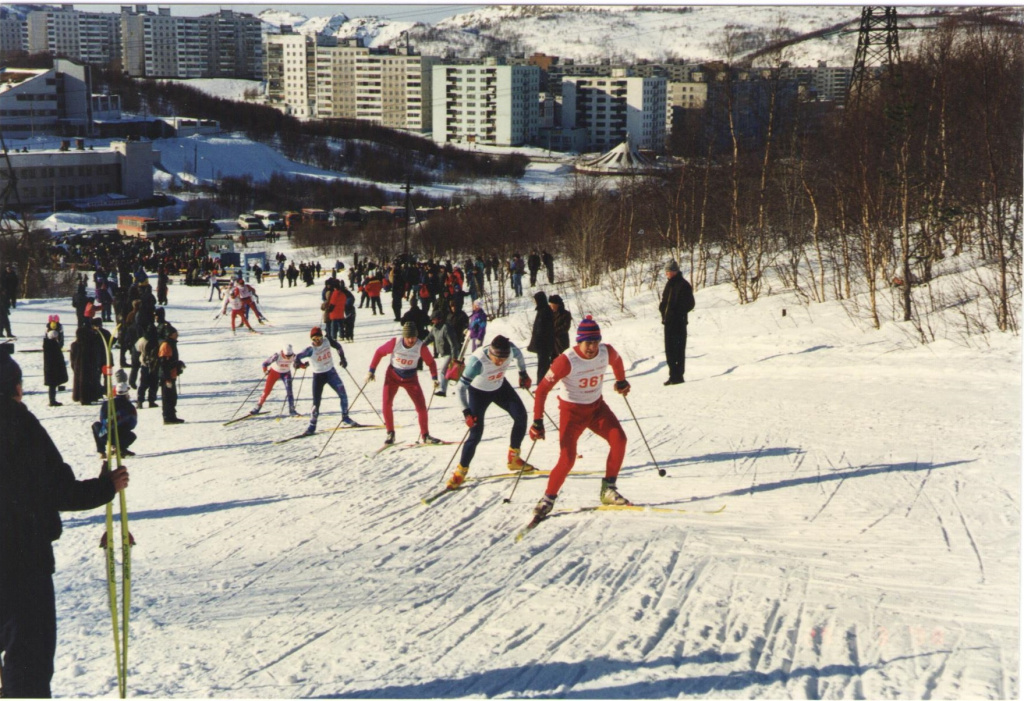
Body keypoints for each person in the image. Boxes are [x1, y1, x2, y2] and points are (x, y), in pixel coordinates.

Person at [0, 354, 129, 698]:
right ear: (13, 387)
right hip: (22, 562)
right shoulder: (18, 425)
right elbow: (56, 489)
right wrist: (105, 486)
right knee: (28, 661)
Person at [528, 315, 632, 521]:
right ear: (579, 341)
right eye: (587, 343)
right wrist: (537, 422)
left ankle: (608, 489)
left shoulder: (606, 351)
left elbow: (617, 361)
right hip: (572, 413)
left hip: (596, 409)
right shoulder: (566, 361)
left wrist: (621, 381)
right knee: (567, 458)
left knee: (619, 440)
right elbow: (541, 391)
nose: (592, 347)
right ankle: (548, 498)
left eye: (595, 342)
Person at [444, 335, 535, 489]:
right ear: (490, 353)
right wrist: (466, 412)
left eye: (503, 359)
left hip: (499, 387)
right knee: (476, 433)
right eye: (497, 358)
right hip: (478, 393)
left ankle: (513, 458)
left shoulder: (511, 350)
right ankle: (461, 471)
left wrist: (523, 374)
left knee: (521, 416)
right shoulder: (477, 362)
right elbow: (460, 388)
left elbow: (519, 356)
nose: (500, 362)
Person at [366, 322, 441, 445]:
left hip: (411, 378)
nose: (411, 340)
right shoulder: (395, 343)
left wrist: (434, 378)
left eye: (414, 337)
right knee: (386, 403)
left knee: (421, 407)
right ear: (404, 336)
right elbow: (379, 352)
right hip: (392, 376)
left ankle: (425, 435)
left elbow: (431, 362)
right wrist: (371, 371)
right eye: (409, 337)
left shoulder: (420, 346)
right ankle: (390, 433)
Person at [293, 326, 355, 436]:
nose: (317, 341)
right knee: (316, 403)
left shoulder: (327, 341)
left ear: (322, 337)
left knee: (343, 394)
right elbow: (297, 357)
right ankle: (312, 426)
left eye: (319, 338)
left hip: (331, 373)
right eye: (314, 339)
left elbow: (338, 346)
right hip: (318, 376)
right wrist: (299, 365)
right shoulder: (310, 349)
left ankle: (345, 418)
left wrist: (343, 359)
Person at [659, 259, 695, 385]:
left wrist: (676, 312)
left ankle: (678, 376)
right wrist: (662, 309)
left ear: (674, 272)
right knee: (669, 350)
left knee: (678, 350)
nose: (666, 274)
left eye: (668, 271)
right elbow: (664, 301)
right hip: (668, 323)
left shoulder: (683, 285)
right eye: (666, 271)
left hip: (679, 323)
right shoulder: (669, 284)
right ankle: (672, 375)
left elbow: (690, 304)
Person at [91, 371, 138, 457]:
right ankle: (120, 448)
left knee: (96, 425)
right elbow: (133, 424)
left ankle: (102, 451)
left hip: (105, 434)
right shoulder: (129, 407)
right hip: (121, 436)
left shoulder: (107, 403)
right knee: (132, 435)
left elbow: (102, 419)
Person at [249, 345, 299, 417]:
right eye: (286, 355)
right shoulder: (277, 356)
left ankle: (292, 410)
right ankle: (257, 408)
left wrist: (302, 365)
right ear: (283, 353)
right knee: (266, 391)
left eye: (290, 355)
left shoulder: (294, 356)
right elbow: (265, 364)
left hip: (286, 373)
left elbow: (298, 364)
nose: (288, 357)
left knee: (289, 392)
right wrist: (265, 371)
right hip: (274, 373)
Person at [158, 324, 185, 424]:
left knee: (172, 397)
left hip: (171, 375)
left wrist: (177, 365)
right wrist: (167, 378)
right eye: (175, 333)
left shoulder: (171, 343)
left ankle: (172, 416)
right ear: (170, 334)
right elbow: (164, 363)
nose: (177, 334)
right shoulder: (166, 345)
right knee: (168, 398)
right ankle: (167, 417)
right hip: (167, 376)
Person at [527, 290, 555, 385]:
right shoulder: (543, 310)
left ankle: (542, 384)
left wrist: (538, 342)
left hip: (544, 343)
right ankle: (543, 383)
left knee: (543, 365)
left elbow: (543, 329)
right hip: (542, 343)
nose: (534, 302)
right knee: (543, 364)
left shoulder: (545, 311)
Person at [42, 325, 68, 407]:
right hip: (52, 369)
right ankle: (52, 401)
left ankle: (52, 400)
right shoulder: (53, 345)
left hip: (50, 369)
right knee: (52, 386)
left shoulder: (48, 344)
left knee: (52, 385)